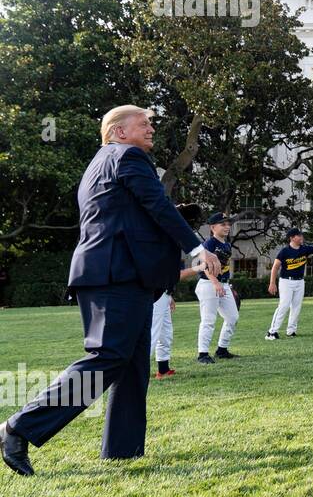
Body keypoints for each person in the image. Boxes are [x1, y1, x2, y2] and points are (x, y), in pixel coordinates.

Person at [2, 105, 222, 476]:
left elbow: (131, 215)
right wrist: (198, 246)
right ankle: (18, 428)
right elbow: (156, 205)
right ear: (119, 132)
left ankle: (123, 450)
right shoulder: (127, 156)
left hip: (123, 277)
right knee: (107, 357)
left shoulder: (103, 162)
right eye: (144, 124)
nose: (151, 129)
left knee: (132, 366)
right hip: (113, 276)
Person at [266, 228, 313, 339]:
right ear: (291, 238)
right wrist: (272, 283)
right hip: (286, 281)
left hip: (300, 281)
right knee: (284, 306)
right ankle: (272, 332)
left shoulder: (305, 249)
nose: (301, 237)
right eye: (298, 236)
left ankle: (291, 331)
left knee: (296, 307)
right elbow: (275, 267)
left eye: (301, 235)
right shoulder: (285, 251)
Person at [195, 212, 240, 364]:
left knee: (232, 318)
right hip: (208, 284)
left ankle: (222, 350)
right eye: (223, 224)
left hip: (223, 284)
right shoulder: (209, 244)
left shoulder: (226, 244)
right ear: (213, 227)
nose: (227, 227)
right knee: (208, 320)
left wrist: (227, 283)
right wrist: (215, 282)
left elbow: (225, 267)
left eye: (228, 224)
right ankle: (202, 354)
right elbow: (204, 266)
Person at [151, 263, 201, 378]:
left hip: (162, 295)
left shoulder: (163, 253)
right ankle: (134, 375)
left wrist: (168, 296)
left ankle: (163, 369)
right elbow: (177, 275)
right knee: (151, 336)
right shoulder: (157, 252)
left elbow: (165, 278)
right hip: (154, 297)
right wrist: (201, 267)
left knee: (165, 335)